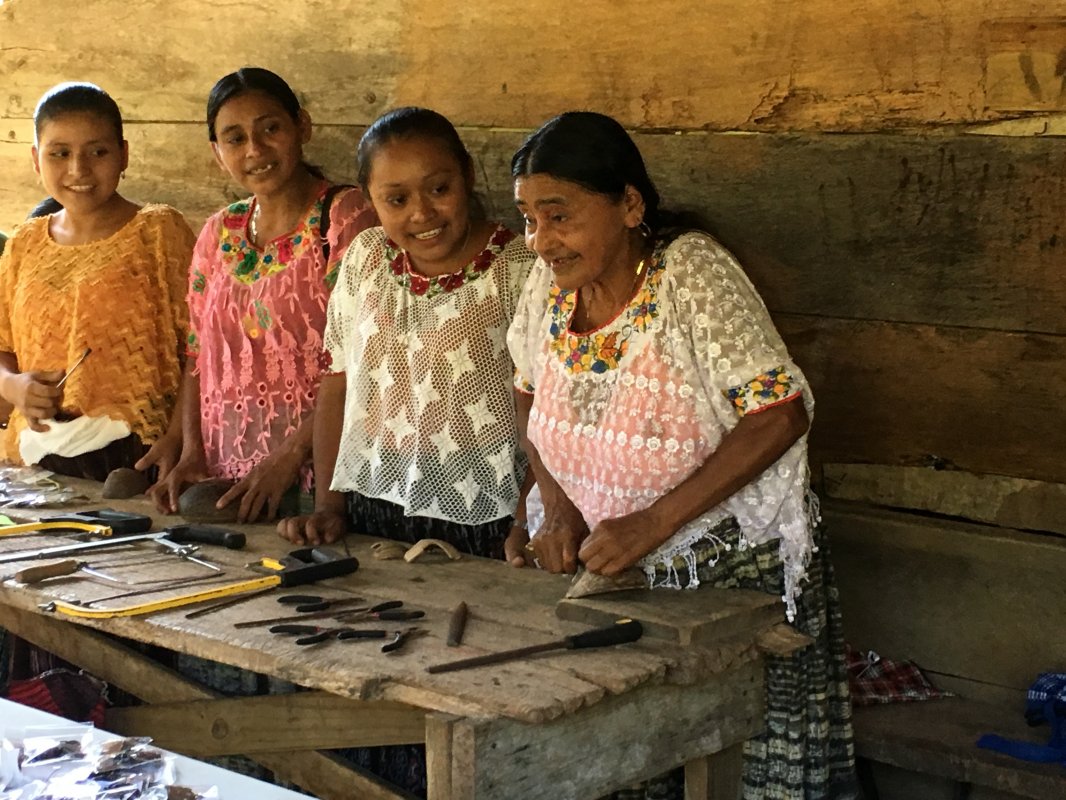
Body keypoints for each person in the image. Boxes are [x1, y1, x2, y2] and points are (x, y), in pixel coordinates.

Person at [507, 111, 859, 800]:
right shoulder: (547, 290)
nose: (540, 241)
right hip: (621, 580)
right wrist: (557, 509)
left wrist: (652, 524)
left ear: (630, 205)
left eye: (559, 216)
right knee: (633, 763)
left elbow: (778, 412)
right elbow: (530, 393)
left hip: (729, 576)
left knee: (737, 774)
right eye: (528, 219)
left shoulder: (689, 273)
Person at [277, 107, 535, 798]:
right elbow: (339, 378)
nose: (422, 212)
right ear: (372, 203)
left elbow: (542, 405)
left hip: (486, 521)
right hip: (375, 513)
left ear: (469, 177)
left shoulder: (519, 269)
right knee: (377, 696)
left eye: (439, 188)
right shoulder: (364, 260)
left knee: (469, 695)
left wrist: (529, 518)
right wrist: (328, 501)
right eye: (396, 199)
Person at [140, 67, 376, 522]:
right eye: (234, 138)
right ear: (217, 152)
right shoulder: (217, 231)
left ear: (301, 127)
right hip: (225, 482)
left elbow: (364, 362)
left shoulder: (343, 219)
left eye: (270, 128)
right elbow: (197, 355)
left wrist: (287, 459)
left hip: (316, 485)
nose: (255, 150)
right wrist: (192, 451)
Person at [0, 82, 193, 481]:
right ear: (37, 160)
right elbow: (2, 346)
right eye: (60, 154)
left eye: (98, 152)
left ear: (123, 154)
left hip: (138, 457)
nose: (78, 170)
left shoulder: (158, 233)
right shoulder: (23, 244)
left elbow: (201, 348)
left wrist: (180, 438)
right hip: (35, 459)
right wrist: (13, 386)